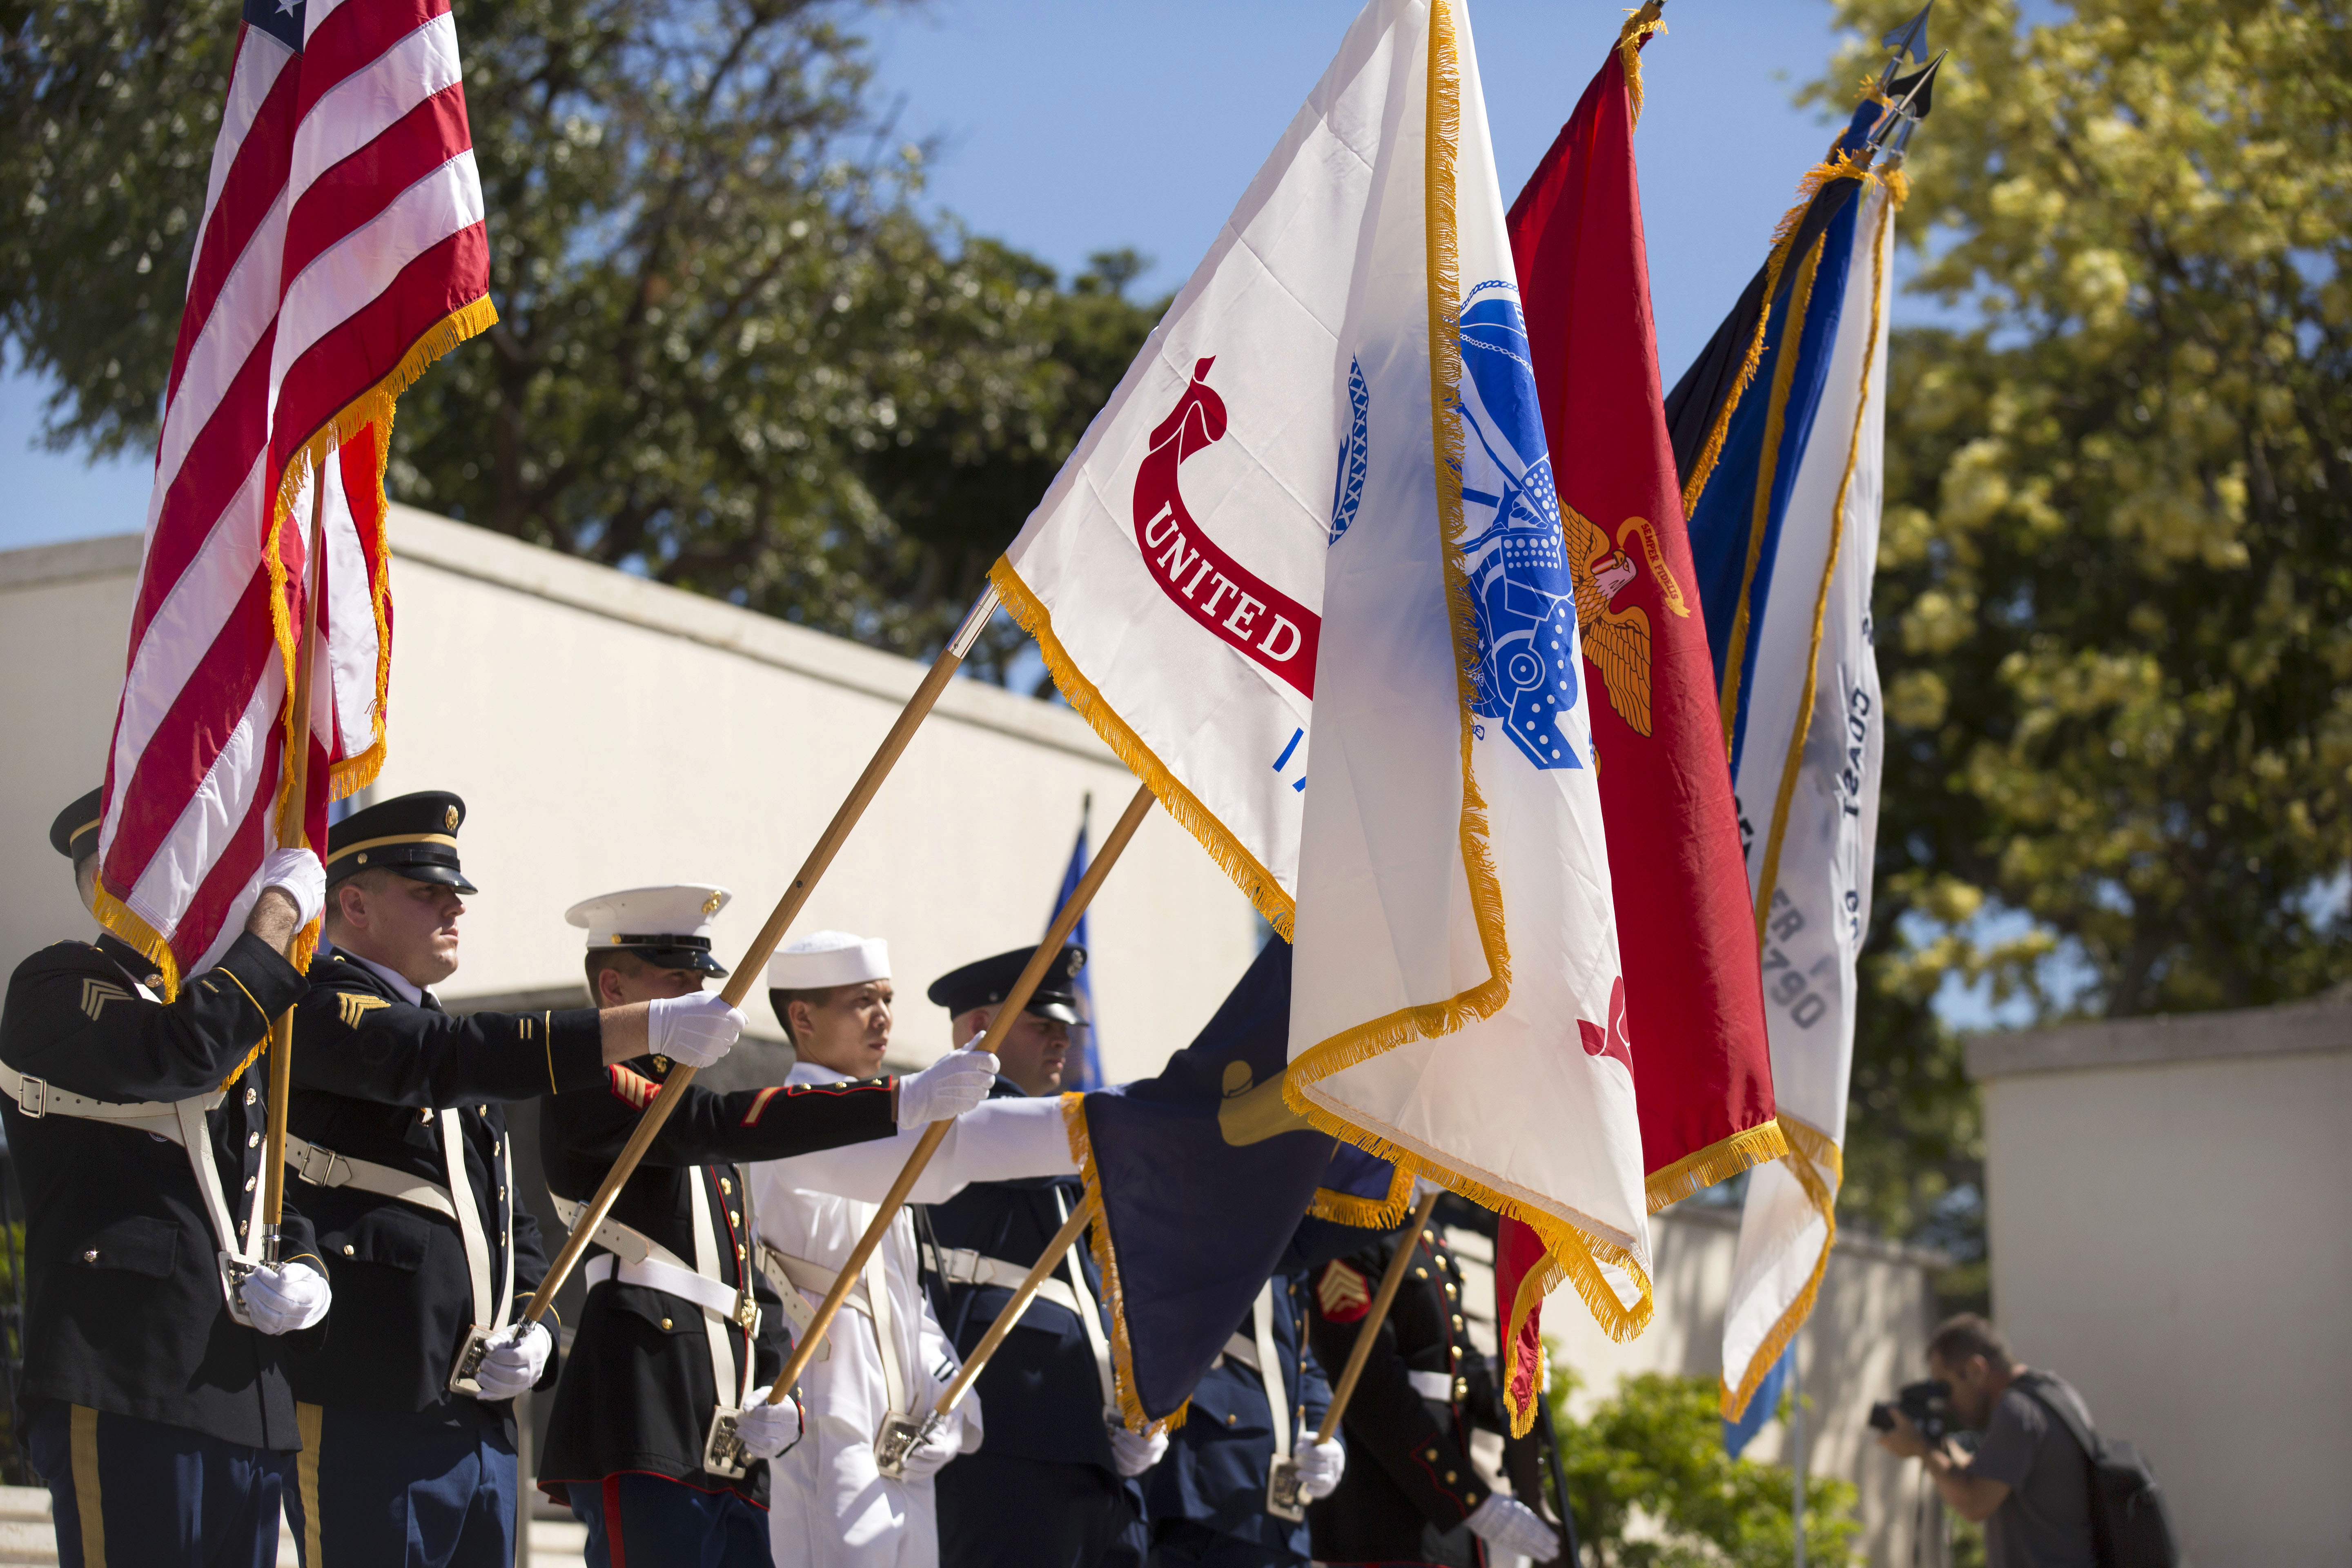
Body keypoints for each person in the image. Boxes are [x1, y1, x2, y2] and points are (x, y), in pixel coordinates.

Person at [282, 793, 748, 1568]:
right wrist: (640, 1029)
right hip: (368, 1392)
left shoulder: (444, 1038)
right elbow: (428, 1056)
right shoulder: (322, 1006)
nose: (452, 911)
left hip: (476, 1416)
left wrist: (536, 1326)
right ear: (353, 902)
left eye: (456, 896)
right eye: (426, 893)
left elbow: (508, 1223)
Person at [536, 888, 998, 1568]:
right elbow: (714, 1126)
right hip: (646, 1400)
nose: (705, 1001)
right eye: (679, 982)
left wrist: (779, 1389)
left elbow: (753, 1279)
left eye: (704, 983)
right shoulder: (594, 1086)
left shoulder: (690, 1111)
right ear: (613, 986)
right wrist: (900, 1100)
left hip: (730, 1424)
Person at [0, 791, 333, 1568]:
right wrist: (279, 912)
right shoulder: (58, 986)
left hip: (244, 1395)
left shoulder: (231, 1015)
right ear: (105, 889)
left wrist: (307, 1272)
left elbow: (258, 1187)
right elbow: (182, 1054)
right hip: (128, 1376)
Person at [748, 932, 1082, 1568]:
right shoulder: (792, 1119)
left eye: (888, 1000)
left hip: (901, 1427)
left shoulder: (876, 1126)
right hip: (831, 1412)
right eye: (862, 1002)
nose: (884, 1019)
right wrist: (1108, 1130)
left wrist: (946, 1400)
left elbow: (905, 1295)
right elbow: (952, 1155)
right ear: (802, 1017)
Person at [920, 944, 1160, 1568]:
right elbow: (1056, 1139)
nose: (1062, 1044)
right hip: (1011, 1438)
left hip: (1091, 1436)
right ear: (980, 1028)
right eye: (1042, 1027)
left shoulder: (1064, 1146)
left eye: (1066, 1031)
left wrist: (1140, 1406)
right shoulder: (956, 1112)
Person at [1302, 1202, 1556, 1568]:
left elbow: (1453, 1365)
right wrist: (1469, 1500)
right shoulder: (1354, 1220)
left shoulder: (1428, 1228)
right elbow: (1372, 1391)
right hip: (1382, 1510)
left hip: (1445, 1511)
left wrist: (1514, 1384)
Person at [1143, 1267, 1345, 1568]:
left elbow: (1301, 1361)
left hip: (1280, 1513)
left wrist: (1328, 1437)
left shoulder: (1291, 1248)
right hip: (1209, 1486)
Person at [1874, 1313, 2098, 1568]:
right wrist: (1938, 1445)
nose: (1946, 1403)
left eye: (1945, 1387)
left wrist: (1922, 1450)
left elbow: (1974, 1503)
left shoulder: (2017, 1411)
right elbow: (1982, 1476)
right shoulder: (2052, 1394)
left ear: (1975, 1370)